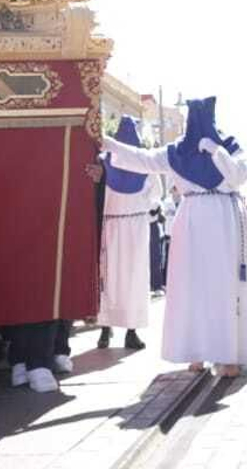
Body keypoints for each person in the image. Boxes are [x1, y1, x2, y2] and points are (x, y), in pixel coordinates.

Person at [99, 97, 247, 377]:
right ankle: (195, 351)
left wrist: (215, 151)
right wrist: (106, 142)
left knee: (223, 287)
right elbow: (141, 158)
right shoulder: (177, 152)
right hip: (191, 222)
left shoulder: (230, 146)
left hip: (224, 223)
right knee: (191, 288)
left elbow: (239, 175)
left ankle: (227, 355)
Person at [96, 116, 150, 351]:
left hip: (111, 226)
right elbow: (154, 198)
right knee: (134, 279)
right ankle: (131, 332)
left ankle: (105, 330)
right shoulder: (145, 166)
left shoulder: (103, 163)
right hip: (135, 228)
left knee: (109, 277)